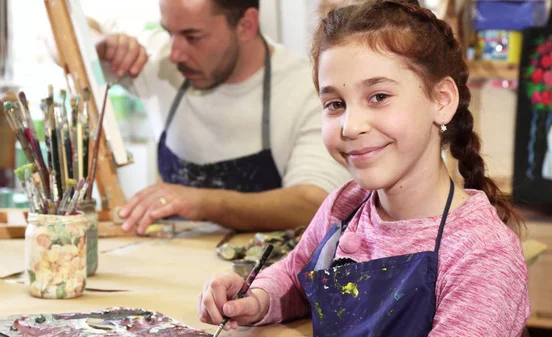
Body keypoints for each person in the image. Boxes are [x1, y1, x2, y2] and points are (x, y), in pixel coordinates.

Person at [196, 1, 531, 336]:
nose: (350, 126)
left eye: (379, 97)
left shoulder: (482, 255)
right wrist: (256, 300)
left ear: (441, 100)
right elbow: (295, 278)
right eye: (335, 104)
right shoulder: (346, 204)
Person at [91, 0, 351, 234]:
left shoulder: (306, 88)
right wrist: (99, 44)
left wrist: (203, 203)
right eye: (169, 32)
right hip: (172, 262)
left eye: (192, 37)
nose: (175, 53)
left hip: (258, 275)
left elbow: (313, 202)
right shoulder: (160, 62)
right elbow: (62, 34)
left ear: (246, 25)